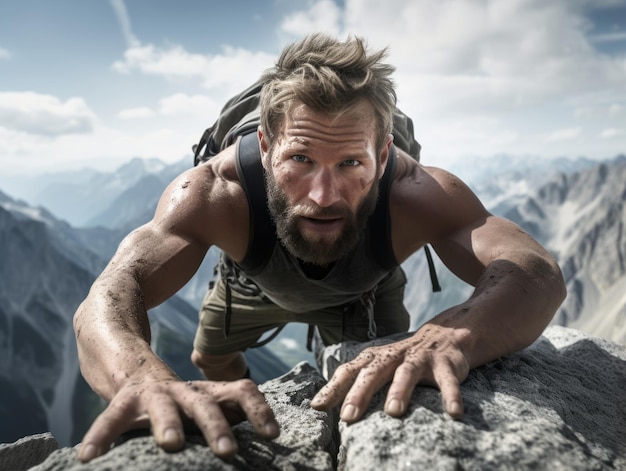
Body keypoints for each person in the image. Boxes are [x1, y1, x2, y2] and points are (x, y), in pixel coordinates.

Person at [73, 33, 566, 463]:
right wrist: (140, 379)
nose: (323, 195)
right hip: (249, 283)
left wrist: (450, 335)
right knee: (211, 361)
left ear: (385, 153)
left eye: (352, 163)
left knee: (383, 376)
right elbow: (113, 290)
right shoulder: (215, 194)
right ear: (265, 148)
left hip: (365, 293)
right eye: (301, 159)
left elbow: (533, 270)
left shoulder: (417, 193)